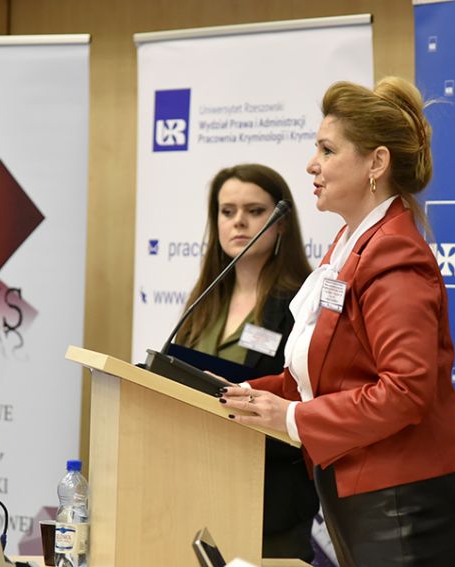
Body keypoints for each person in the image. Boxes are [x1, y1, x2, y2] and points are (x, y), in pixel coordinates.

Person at [220, 77, 455, 567]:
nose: (311, 164)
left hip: (409, 502)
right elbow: (324, 378)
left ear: (376, 163)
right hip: (366, 494)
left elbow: (405, 390)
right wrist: (237, 392)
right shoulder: (349, 245)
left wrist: (293, 418)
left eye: (327, 149)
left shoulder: (394, 252)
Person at [176, 163, 319, 561]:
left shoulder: (301, 303)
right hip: (196, 481)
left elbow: (305, 397)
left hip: (270, 496)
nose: (238, 221)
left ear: (281, 223)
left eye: (254, 211)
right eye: (227, 211)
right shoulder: (205, 299)